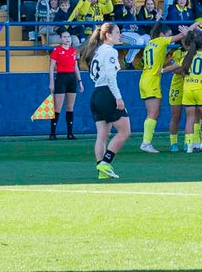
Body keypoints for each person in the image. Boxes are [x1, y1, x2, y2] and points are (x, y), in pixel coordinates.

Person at [82, 21, 128, 180]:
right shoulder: (109, 51)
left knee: (102, 135)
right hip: (107, 92)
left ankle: (102, 171)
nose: (119, 35)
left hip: (96, 93)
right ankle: (106, 163)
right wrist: (118, 97)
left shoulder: (96, 51)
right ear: (108, 35)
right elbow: (110, 76)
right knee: (125, 131)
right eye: (117, 33)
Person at [137, 21, 174, 153]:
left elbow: (155, 62)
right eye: (168, 35)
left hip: (145, 77)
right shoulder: (160, 41)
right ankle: (146, 142)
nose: (170, 37)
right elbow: (179, 37)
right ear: (162, 34)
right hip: (152, 80)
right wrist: (190, 29)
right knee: (154, 113)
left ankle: (146, 142)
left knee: (151, 113)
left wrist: (167, 61)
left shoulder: (150, 44)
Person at [46, 28, 80, 140]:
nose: (67, 39)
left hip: (71, 78)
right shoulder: (56, 50)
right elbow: (51, 67)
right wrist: (51, 82)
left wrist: (80, 81)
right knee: (58, 107)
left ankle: (70, 132)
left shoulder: (73, 50)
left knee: (70, 107)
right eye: (64, 37)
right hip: (61, 77)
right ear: (61, 39)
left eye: (68, 37)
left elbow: (76, 66)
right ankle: (53, 132)